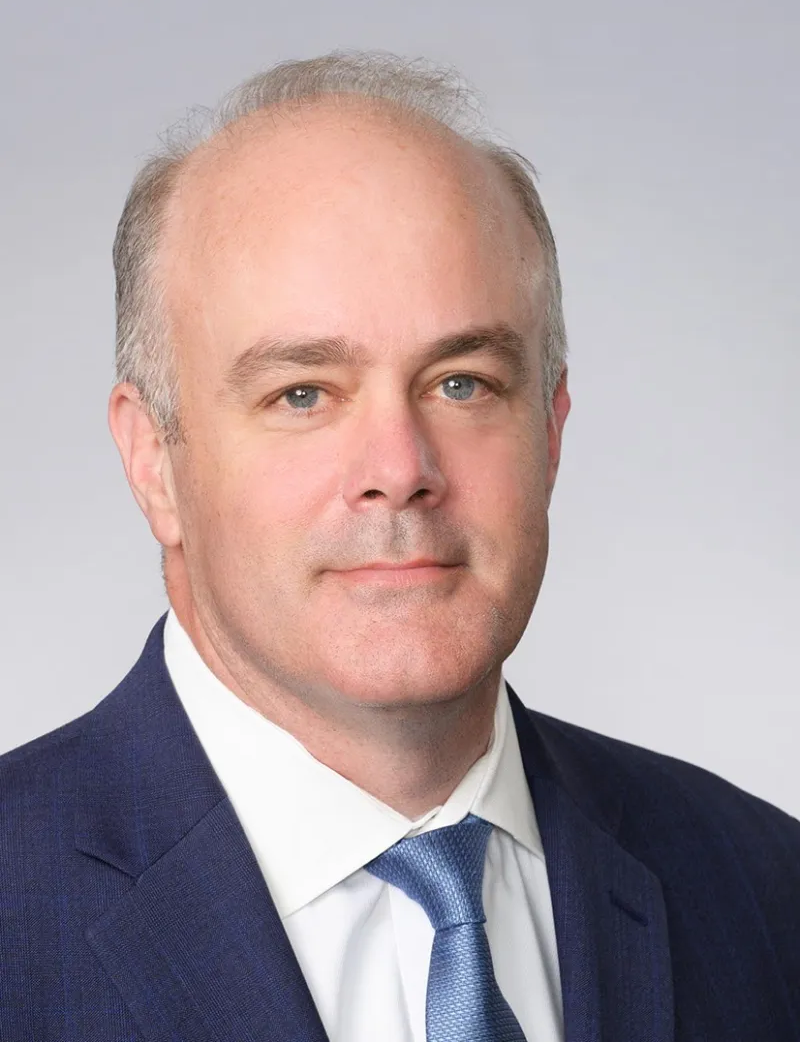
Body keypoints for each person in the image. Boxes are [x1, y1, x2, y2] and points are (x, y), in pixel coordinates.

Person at [0, 51, 798, 1042]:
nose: (399, 466)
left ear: (549, 429)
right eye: (302, 392)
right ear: (153, 458)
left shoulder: (765, 890)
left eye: (461, 381)